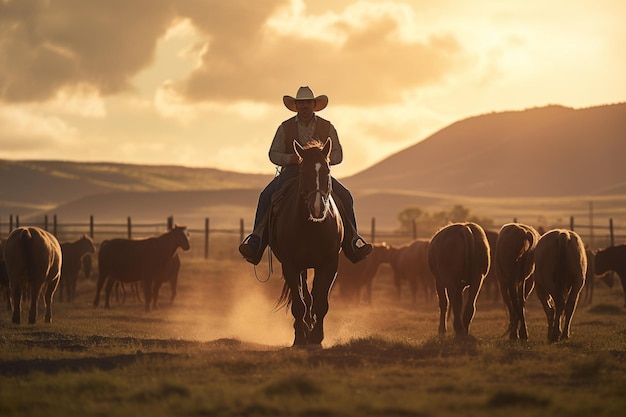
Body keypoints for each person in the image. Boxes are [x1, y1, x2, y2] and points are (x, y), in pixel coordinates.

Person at [238, 86, 373, 265]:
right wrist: (291, 158)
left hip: (318, 172)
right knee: (266, 196)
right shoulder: (285, 127)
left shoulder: (327, 127)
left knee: (346, 196)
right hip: (293, 171)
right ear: (296, 105)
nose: (304, 106)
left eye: (308, 102)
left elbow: (338, 155)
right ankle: (256, 242)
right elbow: (273, 154)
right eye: (301, 103)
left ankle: (353, 241)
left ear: (314, 104)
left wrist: (320, 160)